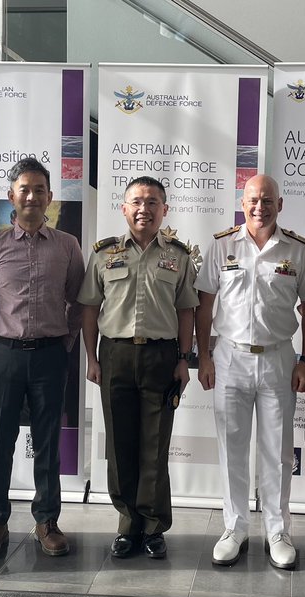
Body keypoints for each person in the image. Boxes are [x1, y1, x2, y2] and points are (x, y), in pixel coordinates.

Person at [195, 174, 305, 571]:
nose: (259, 207)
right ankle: (234, 528)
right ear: (242, 202)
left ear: (280, 205)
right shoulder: (221, 245)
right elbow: (203, 306)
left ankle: (277, 531)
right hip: (230, 357)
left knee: (278, 452)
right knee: (232, 448)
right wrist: (204, 356)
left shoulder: (298, 251)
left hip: (278, 358)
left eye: (267, 200)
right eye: (253, 199)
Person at [78, 176, 198, 559]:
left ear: (164, 209)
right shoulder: (103, 254)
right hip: (115, 356)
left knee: (155, 445)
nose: (144, 208)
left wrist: (183, 359)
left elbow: (186, 311)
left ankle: (154, 526)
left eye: (152, 202)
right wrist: (92, 358)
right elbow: (89, 309)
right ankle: (127, 523)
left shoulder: (178, 256)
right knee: (120, 444)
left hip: (162, 358)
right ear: (124, 208)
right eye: (136, 201)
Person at [0, 157, 85, 559]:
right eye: (25, 189)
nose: (32, 196)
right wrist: (5, 341)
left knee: (48, 441)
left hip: (52, 355)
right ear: (11, 196)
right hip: (4, 355)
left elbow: (77, 301)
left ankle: (47, 521)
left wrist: (65, 343)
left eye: (40, 190)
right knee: (0, 441)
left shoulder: (68, 246)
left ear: (51, 198)